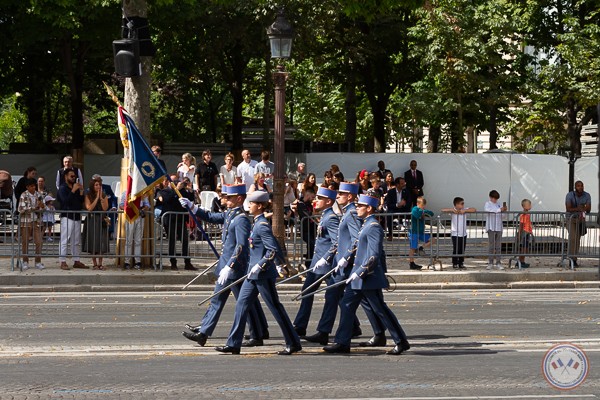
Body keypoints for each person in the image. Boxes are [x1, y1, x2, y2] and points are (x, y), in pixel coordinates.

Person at [180, 184, 269, 347]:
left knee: (241, 303)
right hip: (227, 267)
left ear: (239, 199)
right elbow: (211, 217)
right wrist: (193, 207)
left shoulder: (241, 219)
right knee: (230, 301)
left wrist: (230, 265)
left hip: (234, 268)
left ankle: (256, 333)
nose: (225, 199)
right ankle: (256, 332)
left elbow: (241, 245)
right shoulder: (230, 214)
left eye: (229, 197)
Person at [215, 191, 302, 355]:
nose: (249, 206)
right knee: (241, 305)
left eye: (252, 203)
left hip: (262, 275)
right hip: (252, 274)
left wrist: (262, 265)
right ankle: (233, 343)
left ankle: (293, 342)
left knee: (275, 307)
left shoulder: (262, 226)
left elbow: (272, 250)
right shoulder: (257, 223)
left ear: (260, 206)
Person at [323, 194, 410, 355]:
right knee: (347, 306)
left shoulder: (373, 227)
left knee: (381, 310)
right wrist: (345, 260)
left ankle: (401, 340)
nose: (356, 209)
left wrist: (360, 272)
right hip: (358, 278)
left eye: (359, 206)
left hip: (368, 278)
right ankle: (342, 342)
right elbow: (356, 245)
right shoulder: (365, 225)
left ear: (369, 208)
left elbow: (373, 255)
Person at [303, 182, 365, 345]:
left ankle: (377, 332)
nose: (338, 196)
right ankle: (326, 331)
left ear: (350, 196)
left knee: (370, 301)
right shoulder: (345, 213)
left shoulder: (349, 213)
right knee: (335, 296)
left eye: (341, 194)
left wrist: (343, 257)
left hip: (346, 264)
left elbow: (355, 239)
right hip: (339, 263)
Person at [293, 187, 340, 337]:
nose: (315, 200)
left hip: (325, 265)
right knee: (307, 292)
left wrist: (326, 259)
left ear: (328, 201)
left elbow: (336, 242)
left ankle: (324, 331)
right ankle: (300, 326)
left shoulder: (331, 218)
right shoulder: (324, 216)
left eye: (319, 198)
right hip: (316, 264)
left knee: (334, 297)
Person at [158, 177, 197, 270]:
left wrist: (190, 190)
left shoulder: (182, 191)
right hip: (170, 220)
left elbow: (191, 198)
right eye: (175, 182)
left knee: (185, 241)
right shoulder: (165, 191)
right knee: (172, 241)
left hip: (181, 219)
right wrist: (176, 190)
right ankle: (173, 263)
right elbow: (166, 199)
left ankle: (187, 263)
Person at [56, 167, 87, 270]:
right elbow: (65, 202)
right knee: (65, 239)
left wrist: (81, 192)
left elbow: (80, 201)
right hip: (67, 216)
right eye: (71, 176)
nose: (74, 178)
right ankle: (62, 261)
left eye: (75, 176)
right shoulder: (62, 188)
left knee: (76, 240)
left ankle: (76, 260)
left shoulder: (76, 187)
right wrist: (73, 191)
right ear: (65, 176)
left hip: (77, 216)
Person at [82, 177, 110, 270]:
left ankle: (100, 263)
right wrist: (96, 198)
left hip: (101, 219)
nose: (98, 186)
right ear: (92, 186)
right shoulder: (88, 195)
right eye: (96, 185)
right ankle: (94, 263)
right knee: (93, 241)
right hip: (92, 220)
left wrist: (101, 198)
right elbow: (89, 208)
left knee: (101, 241)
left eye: (99, 185)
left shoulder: (104, 195)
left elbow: (105, 208)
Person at [441, 197, 476, 270]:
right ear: (456, 204)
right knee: (456, 248)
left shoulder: (464, 210)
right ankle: (455, 263)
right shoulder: (453, 211)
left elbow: (474, 209)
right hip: (455, 233)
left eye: (463, 203)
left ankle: (461, 263)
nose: (463, 205)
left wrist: (465, 210)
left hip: (463, 233)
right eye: (461, 204)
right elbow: (443, 210)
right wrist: (452, 210)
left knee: (462, 249)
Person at [17, 178, 45, 270]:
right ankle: (25, 261)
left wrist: (41, 207)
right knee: (25, 242)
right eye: (31, 186)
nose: (34, 188)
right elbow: (21, 209)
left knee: (39, 242)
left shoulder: (39, 195)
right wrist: (34, 208)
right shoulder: (23, 195)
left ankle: (38, 262)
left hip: (36, 221)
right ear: (27, 187)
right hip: (25, 222)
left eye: (34, 186)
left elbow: (43, 208)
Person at [119, 191, 150, 270]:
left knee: (138, 240)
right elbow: (121, 205)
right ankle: (127, 262)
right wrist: (128, 208)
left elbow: (147, 204)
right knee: (129, 240)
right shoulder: (126, 192)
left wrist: (143, 209)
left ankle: (138, 261)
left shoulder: (142, 192)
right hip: (130, 216)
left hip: (139, 216)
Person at [565, 181, 591, 267]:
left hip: (580, 220)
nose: (581, 187)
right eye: (578, 186)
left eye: (582, 186)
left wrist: (582, 208)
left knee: (577, 240)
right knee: (573, 238)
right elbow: (568, 208)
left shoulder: (587, 195)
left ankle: (574, 259)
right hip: (571, 219)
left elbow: (588, 208)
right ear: (575, 187)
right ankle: (571, 259)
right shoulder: (570, 195)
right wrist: (579, 208)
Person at [291, 188, 317, 267]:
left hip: (312, 228)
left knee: (311, 246)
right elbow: (307, 215)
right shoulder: (301, 204)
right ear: (308, 195)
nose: (313, 199)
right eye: (312, 197)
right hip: (305, 229)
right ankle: (308, 263)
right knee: (311, 244)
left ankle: (308, 262)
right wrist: (314, 208)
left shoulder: (309, 203)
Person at [408, 197, 435, 270]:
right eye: (422, 205)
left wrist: (424, 211)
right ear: (418, 204)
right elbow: (416, 215)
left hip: (421, 232)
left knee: (432, 240)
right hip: (414, 232)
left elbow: (431, 213)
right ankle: (411, 263)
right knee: (412, 247)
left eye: (424, 205)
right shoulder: (414, 209)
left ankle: (421, 248)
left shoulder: (422, 210)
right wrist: (423, 212)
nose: (423, 207)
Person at [484, 189, 507, 270]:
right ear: (490, 197)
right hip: (491, 227)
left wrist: (504, 211)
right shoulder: (488, 204)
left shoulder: (499, 204)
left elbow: (503, 216)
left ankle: (498, 262)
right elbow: (488, 211)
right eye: (494, 198)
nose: (495, 200)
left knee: (498, 246)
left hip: (499, 227)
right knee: (491, 245)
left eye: (496, 198)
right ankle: (490, 262)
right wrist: (499, 210)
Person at [91, 174, 118, 239]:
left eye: (100, 180)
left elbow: (113, 197)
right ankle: (97, 234)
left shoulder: (107, 187)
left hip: (107, 208)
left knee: (113, 213)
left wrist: (114, 207)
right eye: (96, 180)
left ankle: (109, 232)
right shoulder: (90, 190)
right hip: (96, 210)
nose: (98, 182)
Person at [517, 199, 533, 269]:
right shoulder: (523, 214)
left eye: (530, 204)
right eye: (528, 204)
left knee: (525, 248)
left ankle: (522, 261)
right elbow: (521, 224)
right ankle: (520, 261)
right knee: (523, 248)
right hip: (524, 232)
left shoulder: (527, 214)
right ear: (524, 206)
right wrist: (519, 233)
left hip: (527, 232)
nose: (530, 206)